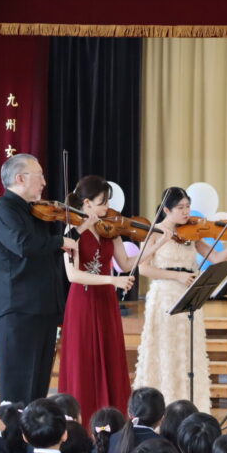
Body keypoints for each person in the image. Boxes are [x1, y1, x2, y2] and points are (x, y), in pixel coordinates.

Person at [134, 186, 227, 411]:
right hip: (165, 297)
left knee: (188, 352)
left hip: (190, 296)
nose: (186, 212)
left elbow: (215, 258)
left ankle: (189, 406)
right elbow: (143, 268)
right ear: (167, 209)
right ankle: (163, 408)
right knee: (166, 351)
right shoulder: (153, 232)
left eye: (188, 206)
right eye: (181, 208)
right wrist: (177, 275)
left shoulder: (191, 232)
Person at [0, 154, 77, 404]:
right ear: (20, 178)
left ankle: (35, 440)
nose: (43, 181)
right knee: (18, 390)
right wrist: (59, 241)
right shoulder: (3, 209)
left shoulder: (36, 211)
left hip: (43, 308)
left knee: (38, 389)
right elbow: (22, 244)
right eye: (38, 175)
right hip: (18, 310)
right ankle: (11, 442)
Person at [57, 175, 137, 426]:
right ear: (87, 203)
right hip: (82, 302)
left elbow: (125, 264)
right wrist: (113, 281)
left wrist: (155, 246)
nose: (107, 207)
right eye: (102, 202)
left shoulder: (109, 227)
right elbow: (74, 275)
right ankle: (84, 424)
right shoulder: (71, 230)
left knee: (110, 359)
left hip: (106, 302)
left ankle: (112, 422)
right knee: (85, 362)